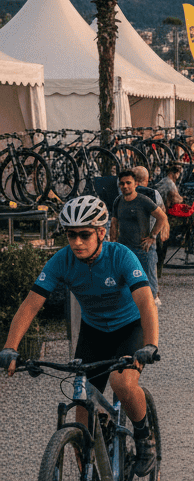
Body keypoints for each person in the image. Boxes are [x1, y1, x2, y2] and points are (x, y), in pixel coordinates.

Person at [1, 196, 160, 477]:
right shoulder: (62, 261)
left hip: (129, 328)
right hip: (94, 331)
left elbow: (146, 302)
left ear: (101, 232)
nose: (76, 242)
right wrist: (10, 348)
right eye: (71, 235)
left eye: (84, 235)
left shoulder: (121, 256)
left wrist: (151, 344)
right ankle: (93, 465)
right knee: (81, 414)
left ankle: (145, 438)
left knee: (121, 382)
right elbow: (30, 305)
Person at [111, 170, 168, 307]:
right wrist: (113, 242)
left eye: (128, 183)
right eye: (122, 184)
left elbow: (162, 217)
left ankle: (152, 311)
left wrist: (152, 236)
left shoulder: (143, 200)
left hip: (143, 248)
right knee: (125, 281)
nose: (125, 186)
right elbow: (114, 223)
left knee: (150, 284)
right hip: (125, 248)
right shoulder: (118, 201)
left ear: (136, 184)